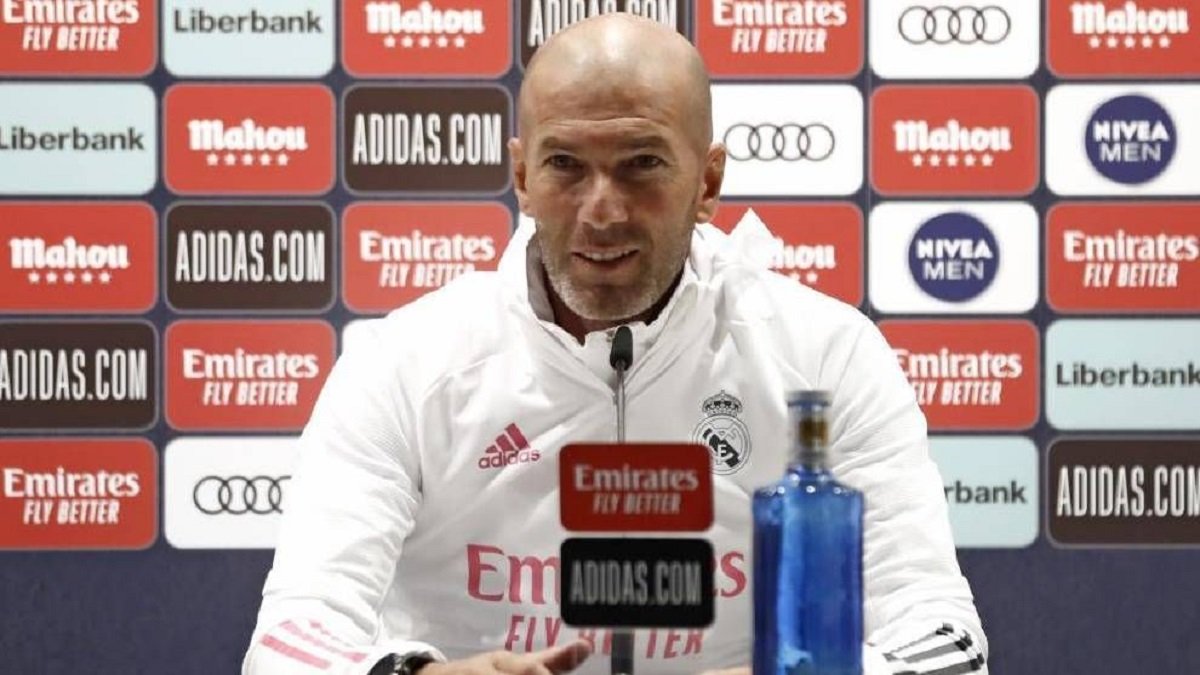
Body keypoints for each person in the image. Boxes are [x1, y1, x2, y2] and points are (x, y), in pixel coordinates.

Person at [243, 13, 988, 675]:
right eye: (565, 165)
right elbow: (287, 646)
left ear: (708, 182)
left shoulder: (825, 357)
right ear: (522, 176)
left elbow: (947, 644)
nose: (602, 211)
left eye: (642, 163)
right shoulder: (406, 364)